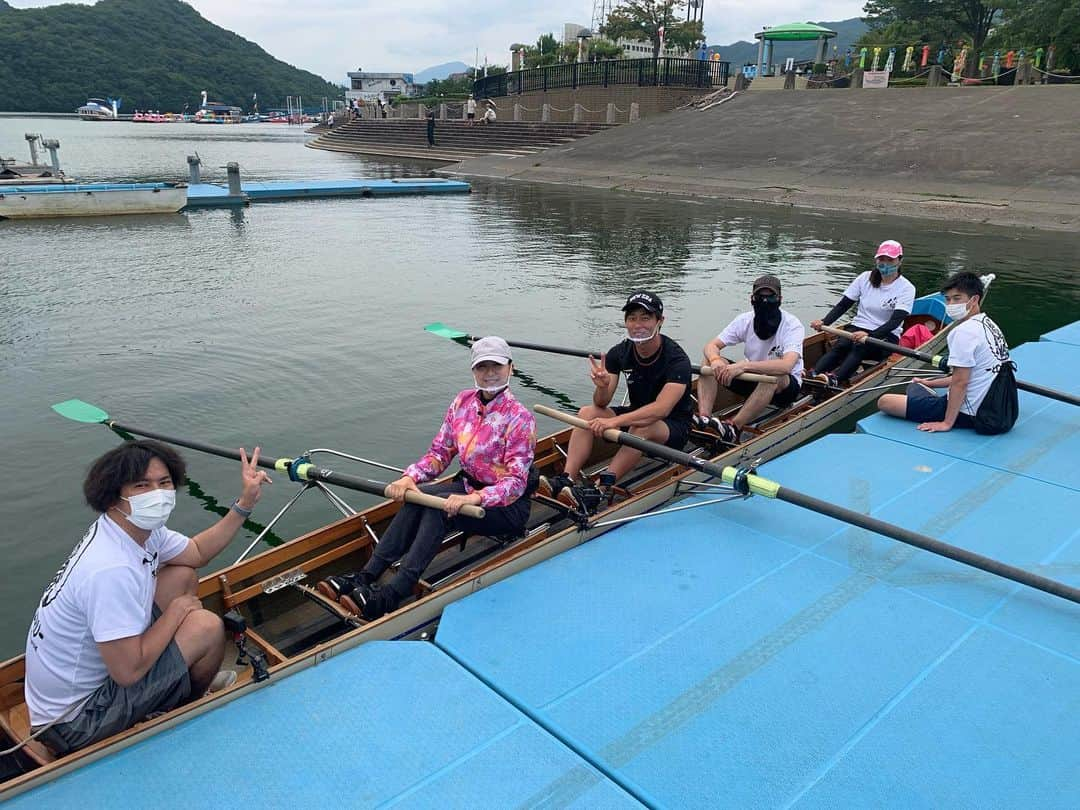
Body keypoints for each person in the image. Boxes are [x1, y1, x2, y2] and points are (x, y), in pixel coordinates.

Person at [24, 440, 272, 756]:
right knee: (207, 628)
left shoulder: (132, 528)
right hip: (76, 723)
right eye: (142, 485)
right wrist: (175, 613)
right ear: (114, 495)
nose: (157, 493)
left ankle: (170, 683)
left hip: (72, 689)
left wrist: (245, 503)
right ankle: (184, 705)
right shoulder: (110, 569)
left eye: (164, 483)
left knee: (181, 575)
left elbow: (196, 553)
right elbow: (127, 673)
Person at [318, 337, 536, 619]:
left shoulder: (520, 418)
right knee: (419, 498)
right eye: (483, 367)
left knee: (437, 509)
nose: (490, 372)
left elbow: (516, 483)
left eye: (497, 365)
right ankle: (365, 577)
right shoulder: (462, 402)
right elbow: (440, 452)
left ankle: (394, 593)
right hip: (467, 487)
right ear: (474, 371)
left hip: (507, 507)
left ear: (511, 368)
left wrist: (475, 497)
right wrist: (411, 478)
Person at [540, 291, 693, 510]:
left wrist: (614, 423)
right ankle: (567, 478)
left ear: (660, 321)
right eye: (632, 318)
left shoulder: (677, 359)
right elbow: (601, 403)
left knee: (643, 426)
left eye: (645, 318)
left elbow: (661, 409)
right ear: (625, 323)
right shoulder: (619, 353)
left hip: (673, 427)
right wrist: (601, 387)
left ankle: (600, 489)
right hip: (636, 418)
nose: (638, 324)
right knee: (586, 413)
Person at [877, 272, 1011, 432]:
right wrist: (931, 382)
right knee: (917, 386)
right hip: (1001, 410)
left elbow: (961, 382)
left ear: (974, 300)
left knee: (885, 401)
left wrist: (946, 423)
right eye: (948, 299)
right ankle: (928, 392)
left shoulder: (964, 331)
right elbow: (968, 375)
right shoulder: (989, 324)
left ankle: (940, 409)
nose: (951, 304)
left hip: (973, 414)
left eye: (957, 298)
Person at [695, 275, 805, 445]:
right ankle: (704, 419)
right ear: (752, 299)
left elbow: (786, 365)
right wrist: (716, 359)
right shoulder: (744, 320)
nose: (766, 301)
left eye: (771, 297)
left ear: (780, 299)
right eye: (761, 297)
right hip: (752, 379)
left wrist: (743, 366)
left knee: (772, 377)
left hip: (785, 389)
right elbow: (711, 345)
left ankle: (733, 427)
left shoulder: (792, 325)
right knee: (707, 363)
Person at [809, 240, 917, 386]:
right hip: (858, 328)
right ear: (876, 260)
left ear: (900, 261)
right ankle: (813, 374)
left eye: (890, 259)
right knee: (842, 345)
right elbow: (844, 305)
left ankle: (835, 379)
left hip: (885, 335)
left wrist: (870, 336)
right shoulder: (865, 278)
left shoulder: (906, 288)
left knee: (860, 347)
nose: (884, 263)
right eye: (881, 259)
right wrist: (824, 322)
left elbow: (895, 322)